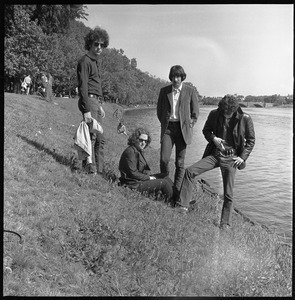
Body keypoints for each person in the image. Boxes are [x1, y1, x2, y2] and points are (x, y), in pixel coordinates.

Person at [175, 95, 255, 231]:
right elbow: (206, 131)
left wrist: (242, 157)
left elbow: (251, 140)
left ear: (235, 110)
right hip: (215, 155)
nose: (226, 115)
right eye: (224, 113)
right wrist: (214, 139)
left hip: (232, 159)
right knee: (189, 171)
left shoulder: (245, 118)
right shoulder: (214, 114)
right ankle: (182, 206)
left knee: (228, 193)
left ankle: (225, 224)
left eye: (229, 114)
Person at [157, 65, 200, 199]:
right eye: (174, 77)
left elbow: (195, 112)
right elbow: (159, 111)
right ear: (171, 77)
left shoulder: (190, 90)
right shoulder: (164, 91)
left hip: (183, 131)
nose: (176, 79)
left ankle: (175, 193)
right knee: (164, 159)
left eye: (178, 77)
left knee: (180, 163)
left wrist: (190, 124)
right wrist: (165, 122)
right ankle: (165, 185)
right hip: (168, 129)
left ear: (182, 77)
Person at [77, 26, 109, 175]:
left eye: (102, 45)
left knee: (99, 138)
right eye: (96, 44)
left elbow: (96, 86)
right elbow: (83, 86)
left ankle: (98, 170)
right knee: (92, 137)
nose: (99, 47)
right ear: (90, 43)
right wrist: (86, 109)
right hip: (89, 102)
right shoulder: (85, 61)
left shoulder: (96, 62)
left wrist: (100, 105)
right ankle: (91, 169)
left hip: (96, 102)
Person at [119, 127, 174, 202]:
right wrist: (149, 178)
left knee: (164, 176)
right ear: (135, 139)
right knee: (163, 183)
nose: (143, 143)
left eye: (145, 141)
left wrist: (149, 176)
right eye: (141, 140)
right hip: (133, 184)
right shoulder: (130, 152)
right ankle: (173, 202)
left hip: (139, 180)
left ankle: (180, 199)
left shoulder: (137, 150)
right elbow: (133, 173)